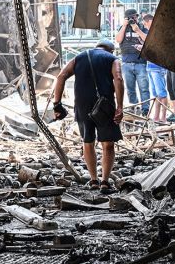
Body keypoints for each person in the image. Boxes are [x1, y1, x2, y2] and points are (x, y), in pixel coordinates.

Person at [50, 38, 125, 194]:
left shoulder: (79, 57)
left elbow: (62, 76)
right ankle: (105, 181)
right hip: (104, 106)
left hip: (82, 105)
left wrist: (57, 103)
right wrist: (119, 106)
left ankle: (93, 180)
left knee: (88, 141)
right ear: (110, 50)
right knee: (108, 144)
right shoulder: (112, 59)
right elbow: (118, 78)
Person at [115, 8, 150, 116]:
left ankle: (145, 109)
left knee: (144, 88)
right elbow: (118, 40)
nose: (133, 19)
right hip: (127, 63)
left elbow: (148, 40)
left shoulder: (142, 27)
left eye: (135, 17)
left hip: (141, 63)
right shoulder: (122, 28)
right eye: (131, 17)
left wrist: (138, 31)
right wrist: (125, 25)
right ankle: (133, 108)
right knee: (130, 89)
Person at [140, 14, 168, 123]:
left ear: (148, 22)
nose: (146, 26)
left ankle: (163, 117)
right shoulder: (151, 32)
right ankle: (156, 117)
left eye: (146, 23)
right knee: (156, 94)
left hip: (158, 67)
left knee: (162, 93)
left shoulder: (157, 32)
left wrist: (138, 31)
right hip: (151, 66)